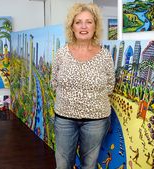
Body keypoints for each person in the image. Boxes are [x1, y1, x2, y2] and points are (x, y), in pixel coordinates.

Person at [51, 3, 115, 169]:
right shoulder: (61, 54)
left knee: (89, 164)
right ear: (71, 26)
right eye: (78, 22)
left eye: (89, 22)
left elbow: (110, 85)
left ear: (95, 26)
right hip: (65, 119)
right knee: (63, 164)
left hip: (96, 120)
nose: (84, 26)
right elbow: (54, 82)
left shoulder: (105, 56)